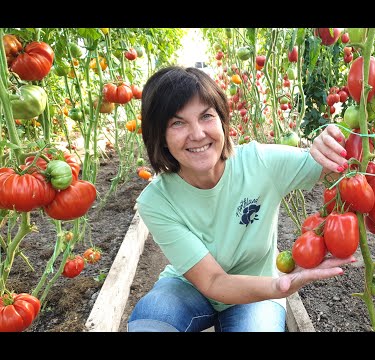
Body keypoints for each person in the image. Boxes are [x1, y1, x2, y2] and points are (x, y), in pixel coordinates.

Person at [127, 65, 355, 332]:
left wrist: (330, 142)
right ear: (161, 137)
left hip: (257, 290)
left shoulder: (259, 162)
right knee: (150, 325)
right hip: (190, 288)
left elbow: (331, 166)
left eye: (206, 116)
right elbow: (212, 281)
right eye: (178, 123)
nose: (198, 134)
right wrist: (278, 286)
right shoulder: (156, 200)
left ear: (222, 121)